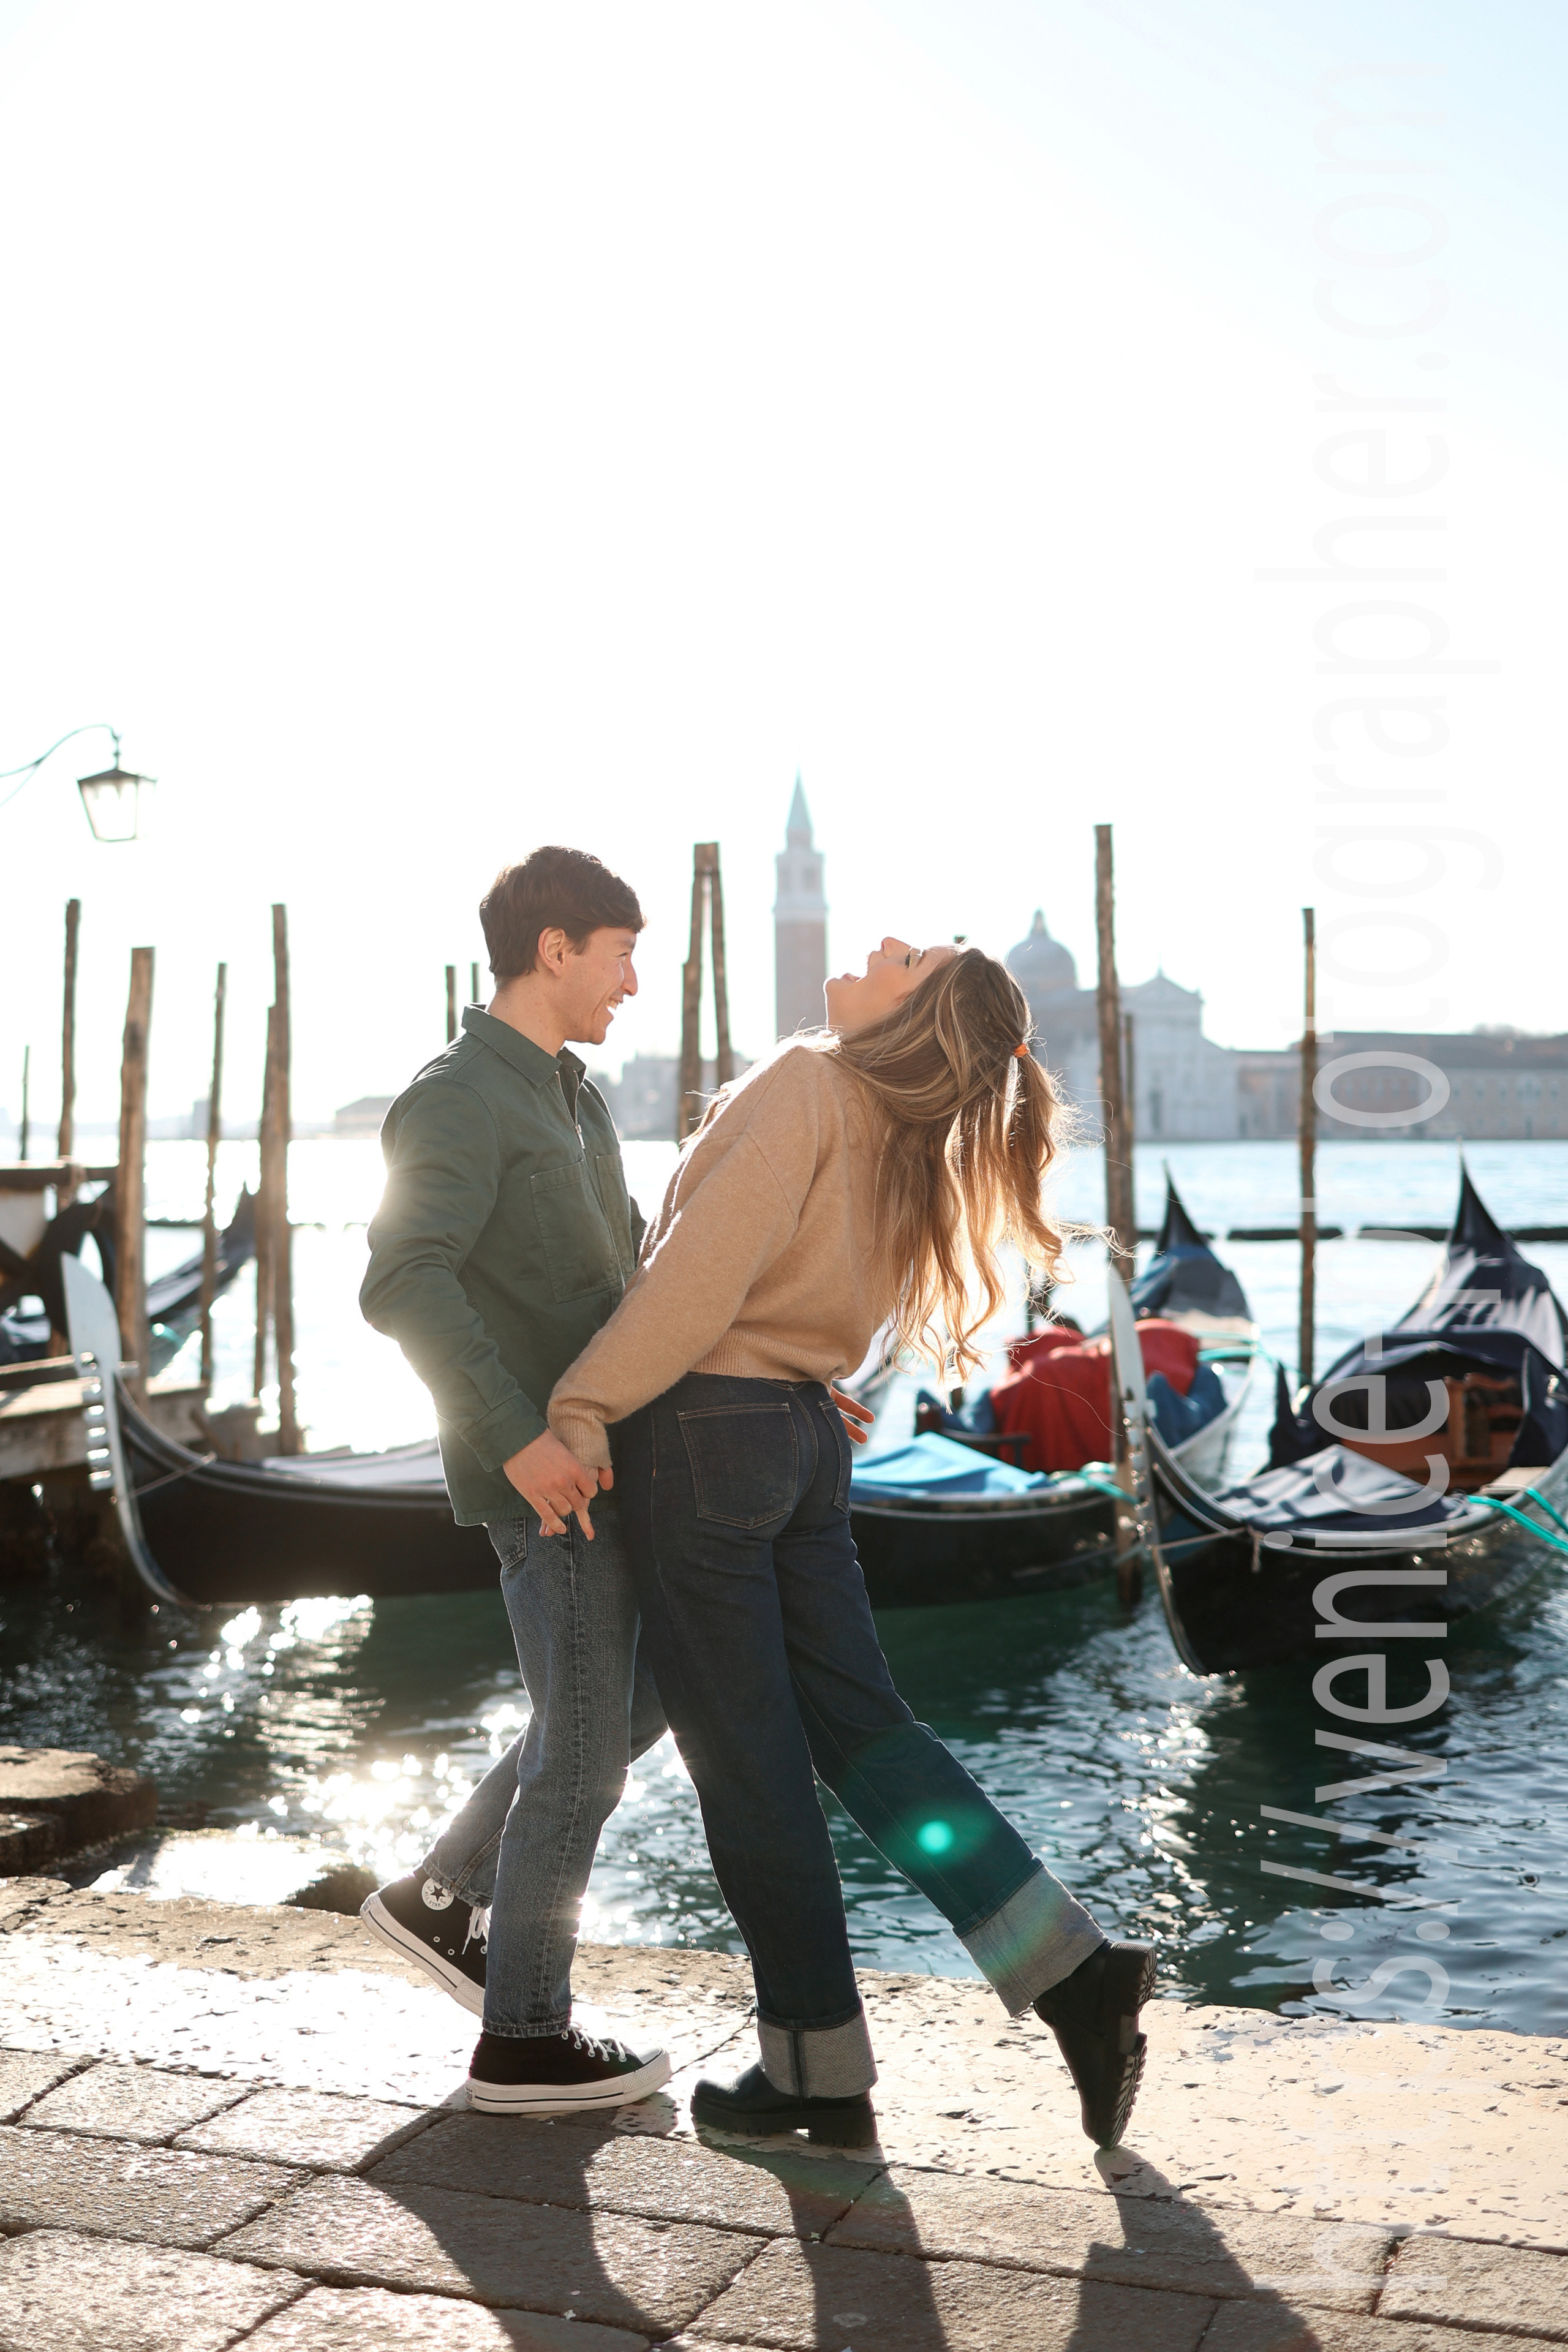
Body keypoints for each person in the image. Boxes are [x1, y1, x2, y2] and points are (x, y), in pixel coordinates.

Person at [548, 937, 1154, 2150]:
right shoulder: (905, 1130)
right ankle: (1073, 1972)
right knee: (866, 1733)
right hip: (804, 1436)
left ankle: (819, 2072)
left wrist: (579, 1403)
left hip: (709, 1437)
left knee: (747, 1766)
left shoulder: (811, 1077)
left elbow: (696, 1278)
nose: (880, 945)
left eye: (908, 956)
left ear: (915, 1013)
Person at [356, 845, 672, 2116]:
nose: (633, 984)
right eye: (620, 956)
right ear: (555, 950)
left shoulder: (578, 1100)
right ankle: (524, 2038)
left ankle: (443, 1894)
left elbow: (635, 1282)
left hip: (612, 1461)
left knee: (634, 1706)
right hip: (546, 1484)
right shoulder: (456, 1099)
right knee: (585, 1756)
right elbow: (402, 1279)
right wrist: (515, 1439)